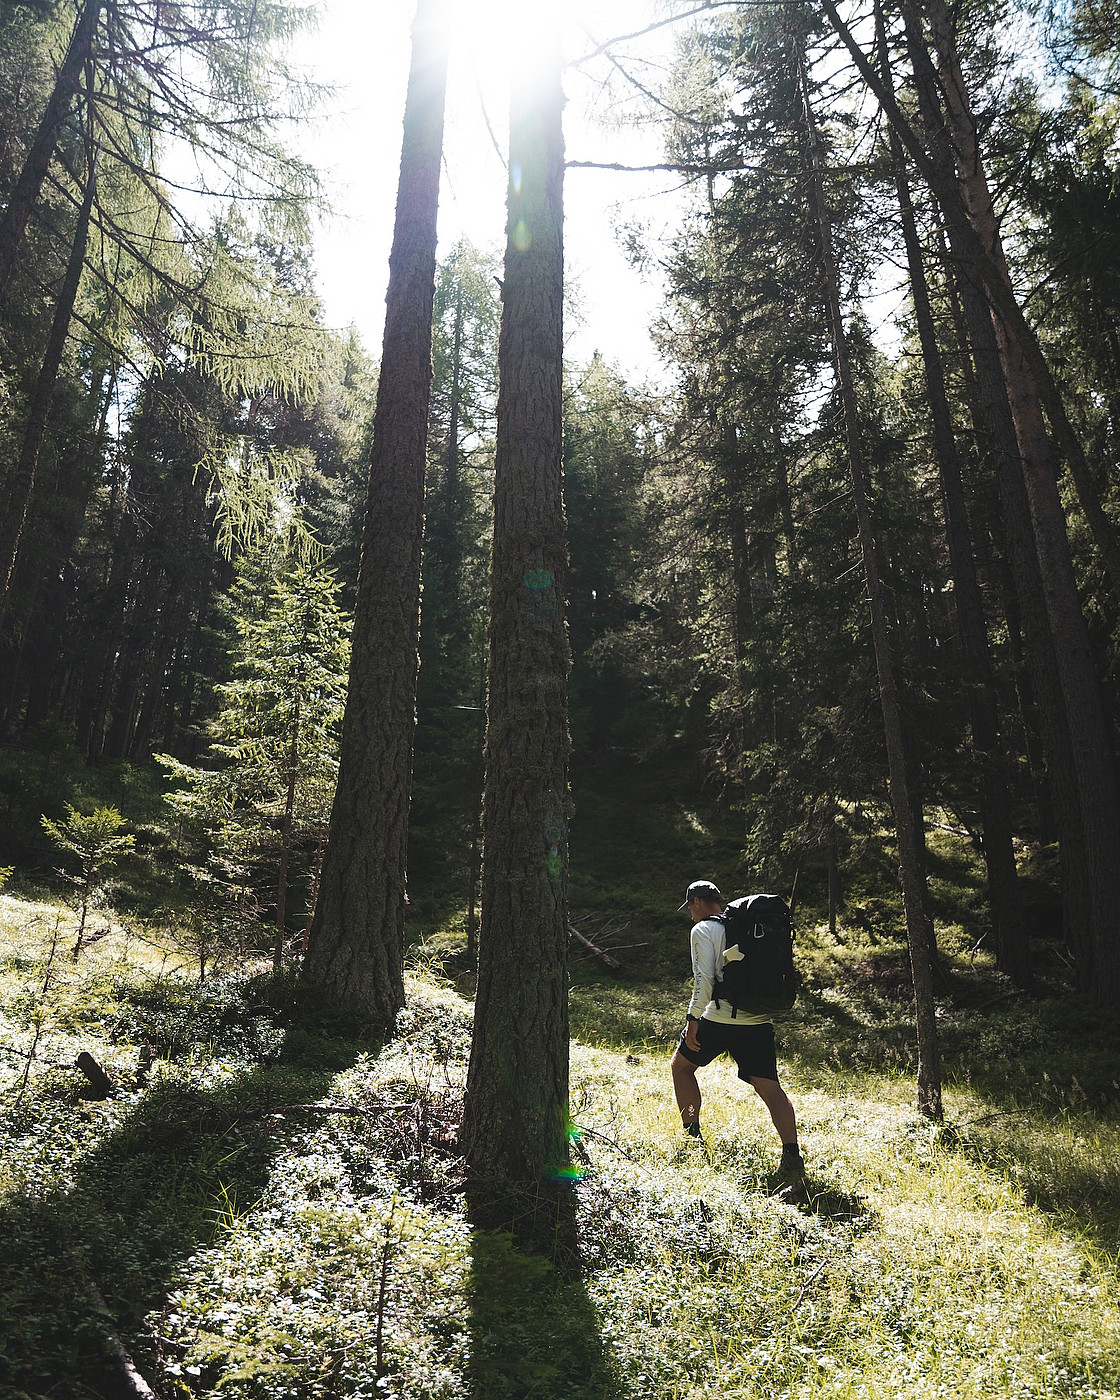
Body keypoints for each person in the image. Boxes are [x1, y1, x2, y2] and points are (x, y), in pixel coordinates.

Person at [670, 879, 804, 1176]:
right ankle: (792, 1157)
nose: (690, 914)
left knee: (681, 1068)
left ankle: (692, 1138)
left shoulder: (703, 929)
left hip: (718, 1018)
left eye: (690, 908)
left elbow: (704, 980)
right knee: (770, 1087)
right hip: (758, 1018)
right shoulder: (747, 926)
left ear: (697, 902)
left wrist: (693, 1019)